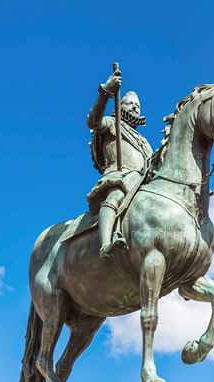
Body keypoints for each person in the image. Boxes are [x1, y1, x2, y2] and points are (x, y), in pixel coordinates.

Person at [86, 69, 153, 258]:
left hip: (142, 183)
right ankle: (105, 244)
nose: (135, 108)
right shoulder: (111, 123)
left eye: (138, 106)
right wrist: (106, 92)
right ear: (120, 105)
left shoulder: (144, 142)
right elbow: (93, 121)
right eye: (131, 104)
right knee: (115, 195)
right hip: (120, 176)